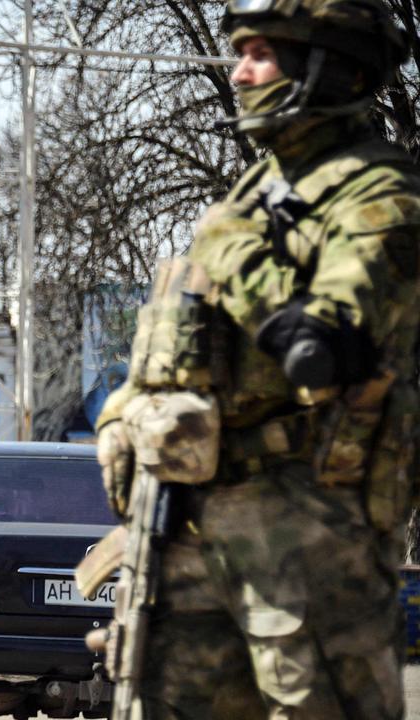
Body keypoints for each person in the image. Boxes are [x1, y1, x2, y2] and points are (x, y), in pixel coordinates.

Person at [94, 0, 420, 717]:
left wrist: (237, 256)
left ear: (332, 66)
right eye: (240, 52)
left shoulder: (379, 193)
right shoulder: (257, 190)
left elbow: (325, 350)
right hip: (187, 522)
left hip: (304, 534)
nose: (239, 73)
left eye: (262, 53)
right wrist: (124, 423)